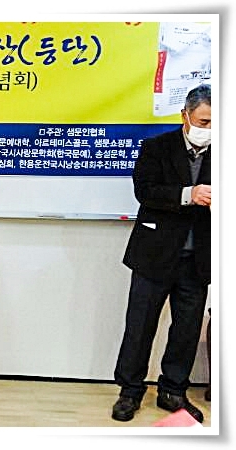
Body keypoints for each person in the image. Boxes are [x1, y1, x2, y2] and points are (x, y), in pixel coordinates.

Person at [111, 84, 211, 423]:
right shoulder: (157, 147)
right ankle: (129, 391)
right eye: (204, 121)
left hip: (199, 257)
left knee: (187, 329)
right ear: (185, 116)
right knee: (139, 326)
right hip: (154, 253)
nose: (209, 129)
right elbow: (145, 191)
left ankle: (173, 391)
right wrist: (188, 194)